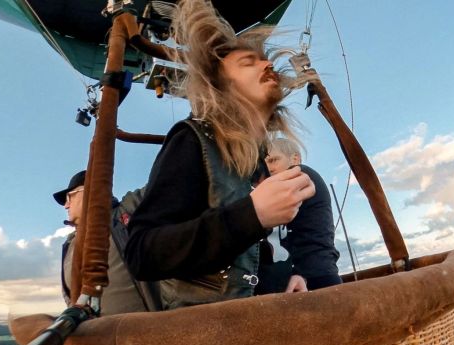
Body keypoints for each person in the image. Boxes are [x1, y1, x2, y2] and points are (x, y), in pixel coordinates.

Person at [124, 0, 315, 309]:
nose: (266, 65)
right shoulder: (192, 140)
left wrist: (289, 275)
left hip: (268, 321)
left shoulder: (266, 157)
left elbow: (256, 254)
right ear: (220, 84)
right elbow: (143, 253)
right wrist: (251, 215)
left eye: (264, 60)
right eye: (247, 62)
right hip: (212, 336)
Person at [54, 170, 155, 315]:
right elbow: (72, 300)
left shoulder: (126, 214)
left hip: (144, 330)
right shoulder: (69, 246)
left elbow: (164, 182)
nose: (66, 206)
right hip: (97, 335)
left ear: (88, 191)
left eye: (68, 198)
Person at [263, 138, 342, 292]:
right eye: (265, 163)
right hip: (301, 276)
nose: (268, 168)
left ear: (295, 158)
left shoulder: (302, 174)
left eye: (273, 160)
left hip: (316, 275)